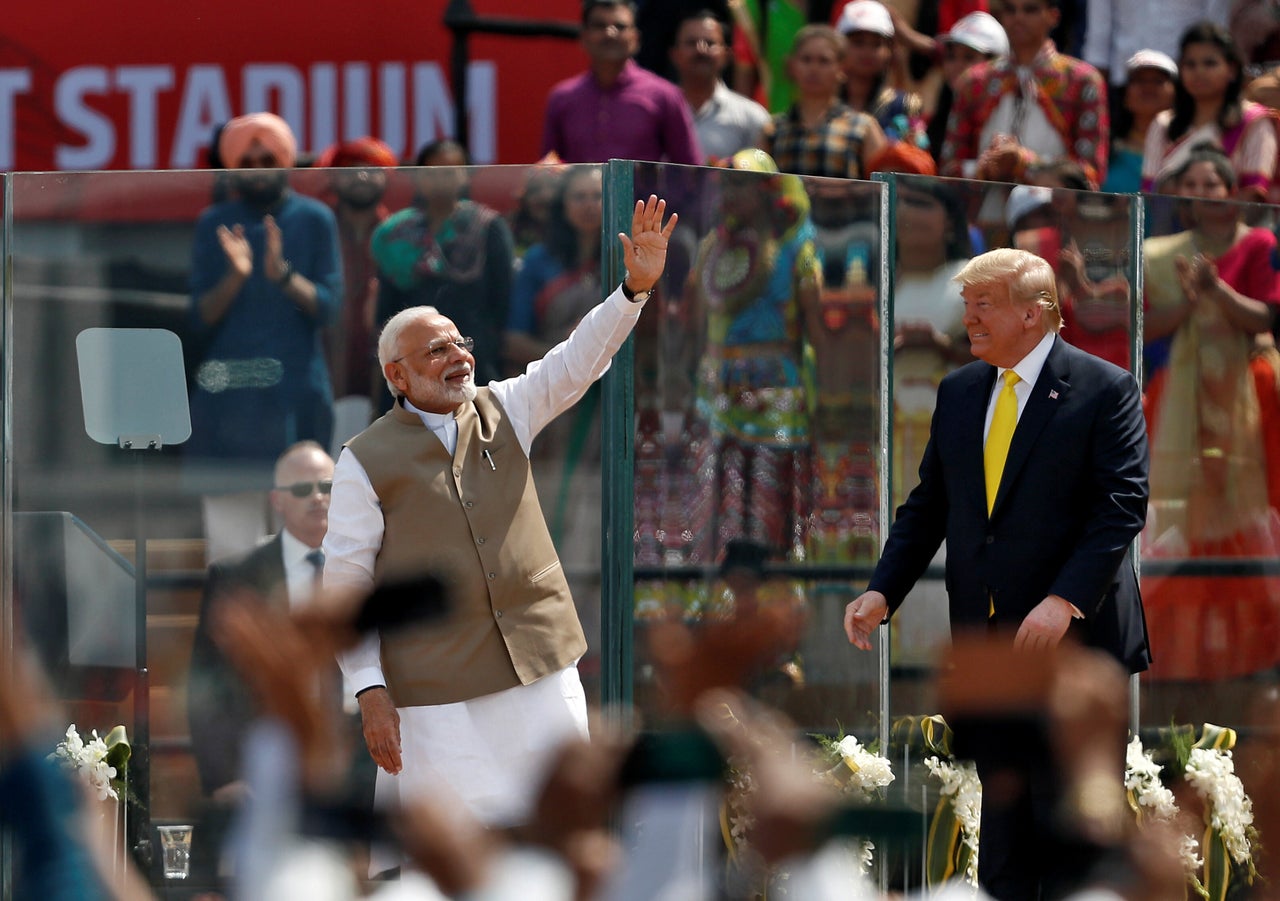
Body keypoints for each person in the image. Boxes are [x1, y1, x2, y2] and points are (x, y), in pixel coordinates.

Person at [325, 195, 677, 856]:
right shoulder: (363, 460)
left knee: (562, 828)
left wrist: (633, 291)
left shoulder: (504, 407)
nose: (458, 355)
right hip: (436, 690)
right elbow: (345, 584)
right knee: (458, 850)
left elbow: (576, 362)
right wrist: (369, 689)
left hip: (538, 663)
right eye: (437, 349)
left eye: (461, 341)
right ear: (396, 374)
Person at [844, 247, 1151, 900]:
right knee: (1005, 832)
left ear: (1034, 316)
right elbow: (930, 504)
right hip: (989, 648)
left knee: (1070, 829)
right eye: (967, 305)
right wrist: (882, 589)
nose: (969, 319)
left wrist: (1064, 599)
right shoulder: (959, 391)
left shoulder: (1105, 387)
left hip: (1073, 646)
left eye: (983, 305)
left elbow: (1121, 505)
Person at [1141, 144, 1280, 680]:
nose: (1201, 194)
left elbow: (1264, 317)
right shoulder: (1160, 252)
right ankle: (1178, 659)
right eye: (1191, 186)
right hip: (1178, 399)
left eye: (1211, 184)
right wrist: (1191, 301)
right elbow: (1148, 328)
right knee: (1184, 520)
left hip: (1248, 398)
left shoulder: (1260, 244)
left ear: (1233, 193)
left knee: (1245, 518)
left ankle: (1249, 658)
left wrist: (1215, 289)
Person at [187, 112, 343, 563]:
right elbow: (198, 318)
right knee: (232, 555)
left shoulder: (315, 220)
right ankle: (238, 636)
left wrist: (282, 276)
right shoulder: (213, 222)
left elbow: (330, 308)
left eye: (267, 156)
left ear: (285, 160)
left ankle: (298, 636)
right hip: (228, 404)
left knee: (304, 547)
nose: (257, 166)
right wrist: (236, 277)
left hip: (296, 397)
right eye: (247, 158)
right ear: (233, 166)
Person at [187, 441, 338, 888]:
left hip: (354, 768)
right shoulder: (236, 577)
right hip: (264, 770)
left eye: (328, 485)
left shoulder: (365, 570)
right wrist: (225, 775)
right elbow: (205, 683)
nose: (318, 497)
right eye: (304, 487)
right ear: (277, 500)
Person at [683, 150, 820, 564]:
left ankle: (775, 599)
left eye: (741, 183)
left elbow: (814, 328)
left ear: (768, 191)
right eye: (725, 183)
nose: (730, 193)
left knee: (770, 498)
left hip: (775, 391)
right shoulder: (712, 247)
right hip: (717, 390)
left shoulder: (796, 248)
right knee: (716, 494)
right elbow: (694, 323)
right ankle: (717, 606)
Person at [370, 140, 513, 408]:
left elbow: (503, 301)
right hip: (410, 363)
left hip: (471, 358)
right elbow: (385, 310)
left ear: (465, 174)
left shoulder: (487, 227)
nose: (440, 179)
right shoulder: (395, 234)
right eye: (432, 171)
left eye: (449, 171)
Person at [940, 0, 1110, 188]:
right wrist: (985, 168)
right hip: (985, 212)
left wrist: (1024, 163)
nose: (1018, 18)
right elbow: (948, 167)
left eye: (1030, 9)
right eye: (1010, 10)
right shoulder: (974, 81)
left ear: (1053, 16)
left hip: (1054, 213)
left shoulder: (1081, 81)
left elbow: (1091, 173)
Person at [541, 0, 703, 165]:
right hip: (579, 191)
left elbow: (690, 172)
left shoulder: (665, 96)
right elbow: (549, 169)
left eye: (620, 26)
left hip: (641, 192)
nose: (610, 33)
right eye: (599, 25)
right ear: (583, 36)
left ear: (636, 38)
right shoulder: (561, 97)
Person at [1140, 21, 1278, 201]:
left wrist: (1211, 222)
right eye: (1190, 64)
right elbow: (1150, 195)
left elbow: (1254, 195)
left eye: (1209, 63)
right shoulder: (1163, 124)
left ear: (1232, 70)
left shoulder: (1254, 122)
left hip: (1234, 226)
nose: (1199, 72)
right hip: (1169, 226)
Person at [316, 137, 398, 407]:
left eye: (372, 169)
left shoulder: (400, 234)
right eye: (350, 170)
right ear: (334, 178)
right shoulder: (317, 229)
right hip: (323, 366)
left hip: (384, 370)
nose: (361, 177)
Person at [760, 25, 889, 179]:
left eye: (824, 61)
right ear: (792, 66)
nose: (814, 69)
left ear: (841, 69)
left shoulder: (863, 127)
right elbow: (760, 188)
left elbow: (884, 188)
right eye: (806, 60)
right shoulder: (773, 130)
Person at [670, 9, 771, 164]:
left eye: (710, 43)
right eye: (691, 43)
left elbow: (763, 179)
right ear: (674, 54)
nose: (701, 49)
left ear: (727, 54)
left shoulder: (752, 117)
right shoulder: (658, 110)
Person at [834, 0, 928, 149]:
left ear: (890, 51)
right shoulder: (824, 102)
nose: (867, 52)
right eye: (858, 43)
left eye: (876, 44)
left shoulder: (904, 106)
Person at [926, 11, 1011, 164]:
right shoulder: (939, 114)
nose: (957, 66)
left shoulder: (1007, 113)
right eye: (951, 57)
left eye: (969, 57)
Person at [1100, 50, 1179, 193]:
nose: (1148, 87)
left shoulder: (1183, 147)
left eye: (1158, 81)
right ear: (1125, 95)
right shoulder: (1105, 148)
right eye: (1139, 80)